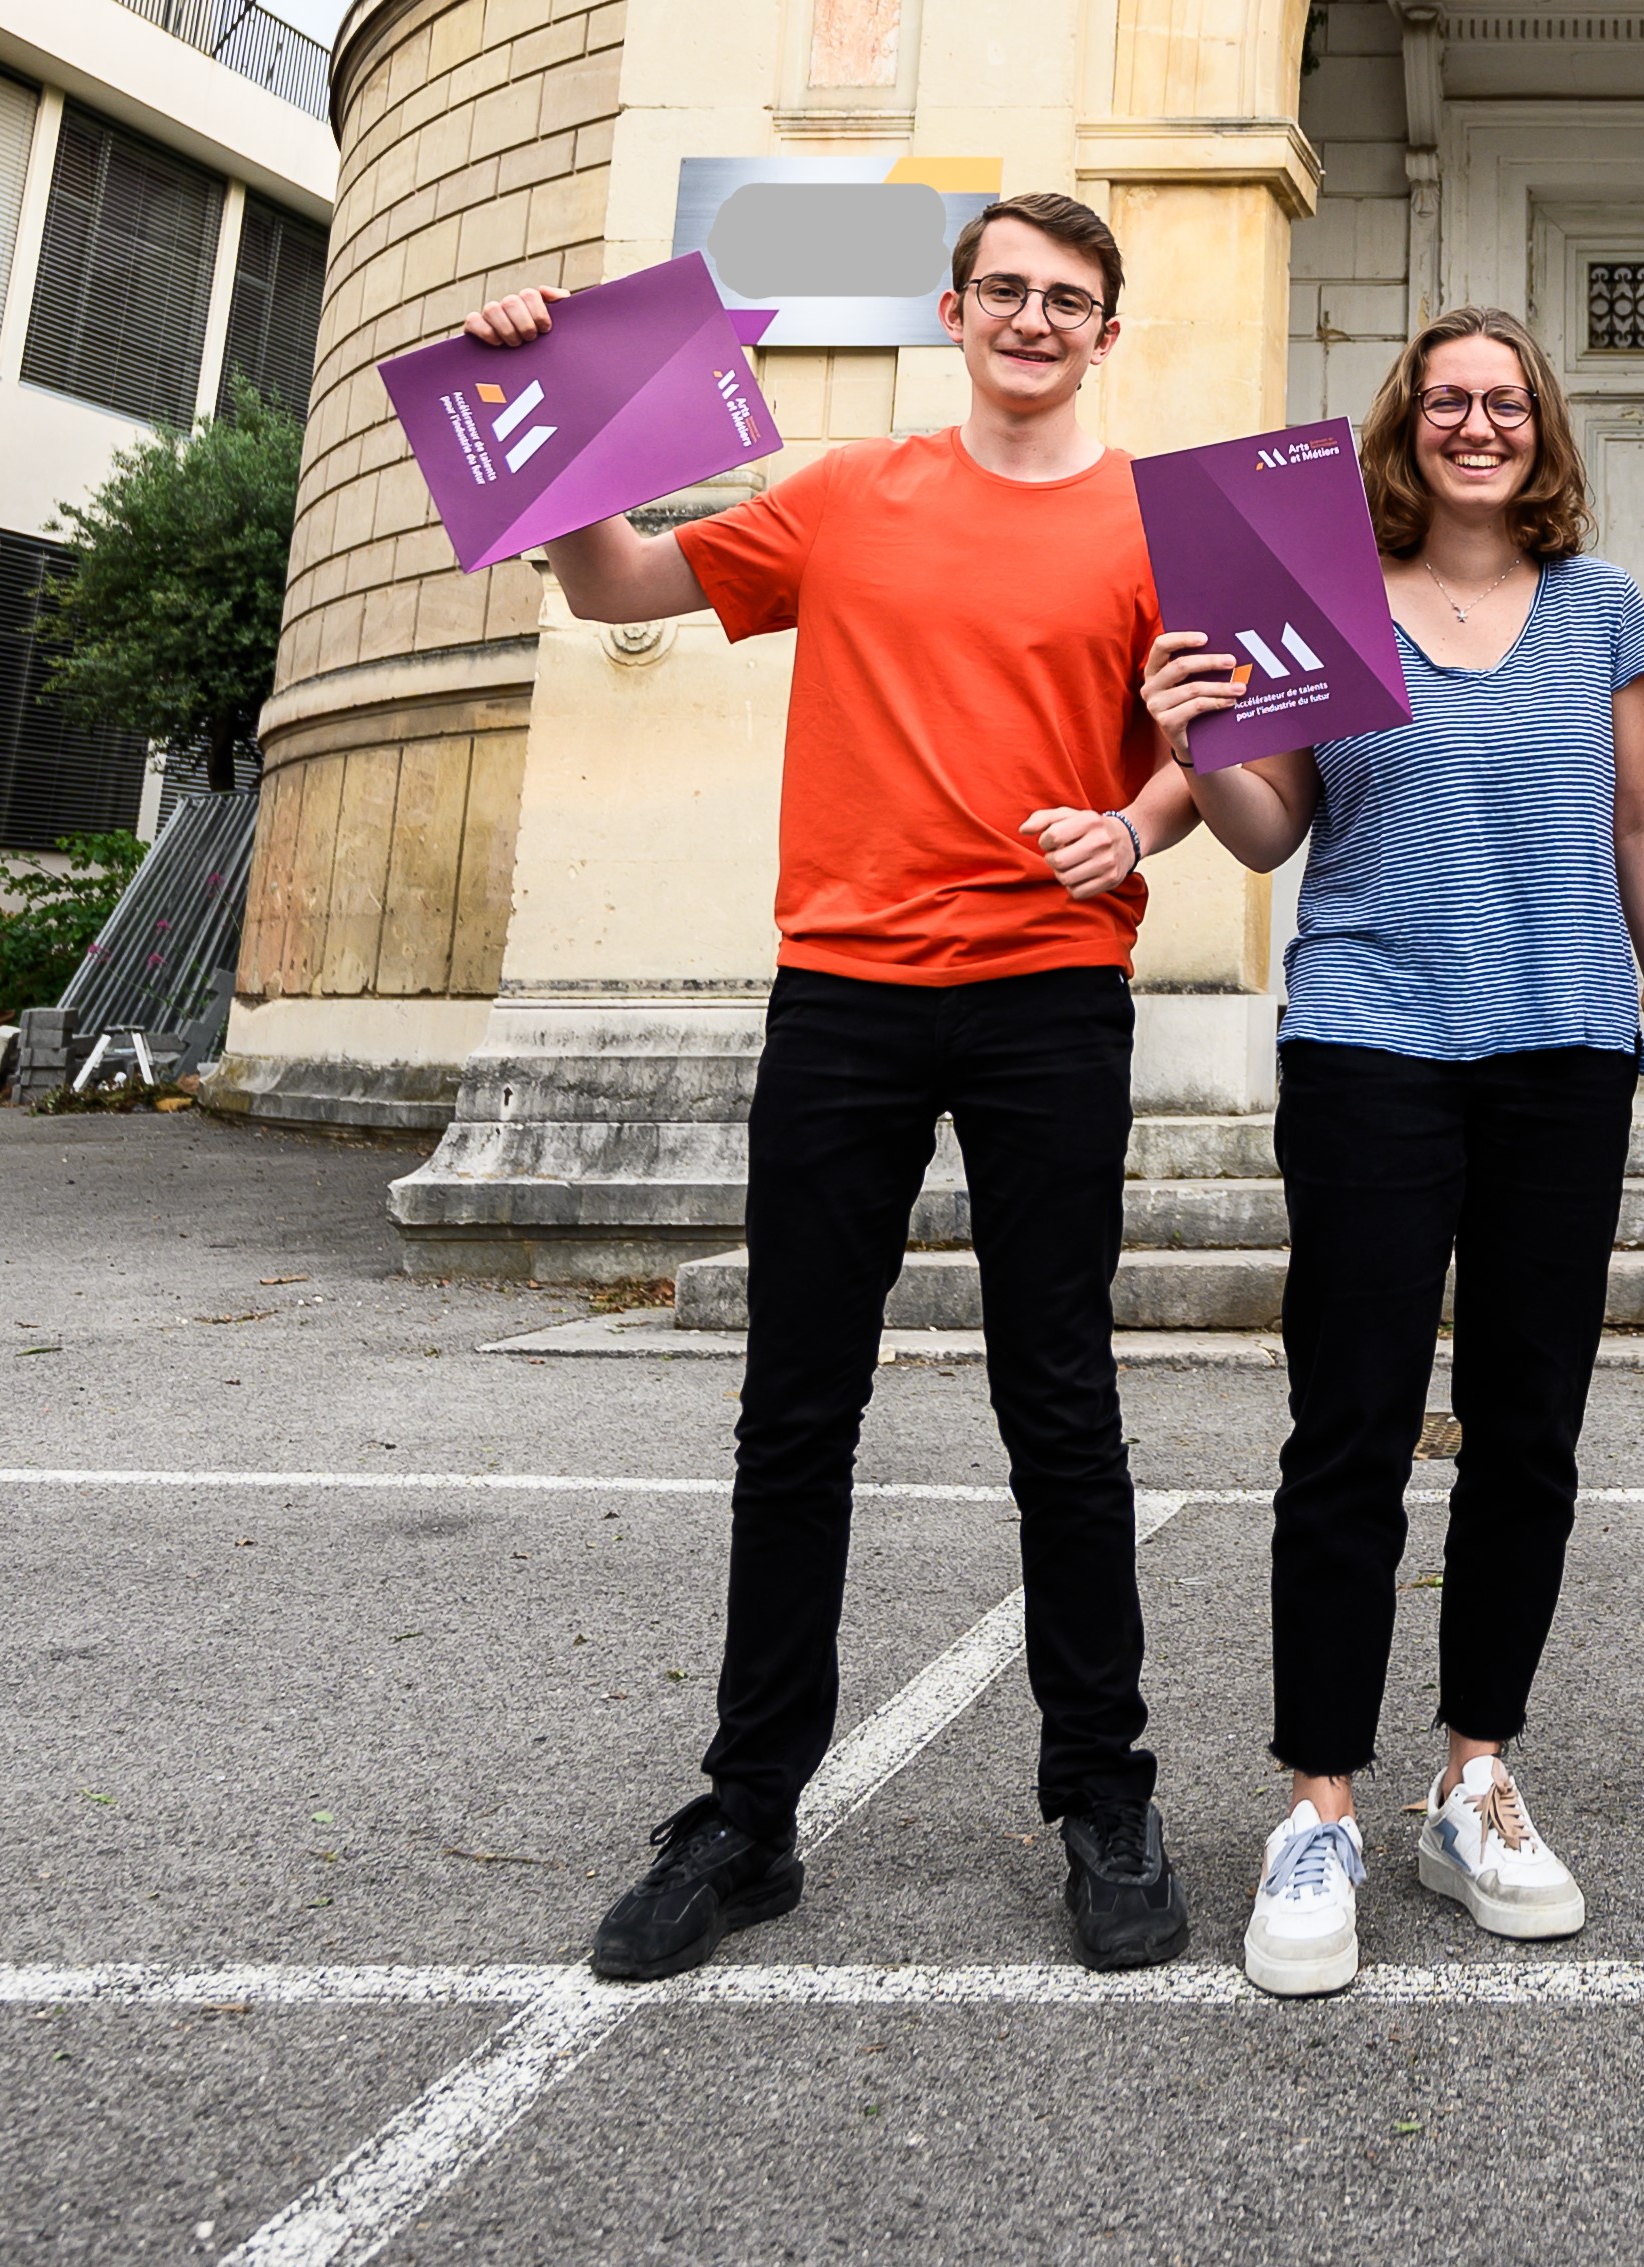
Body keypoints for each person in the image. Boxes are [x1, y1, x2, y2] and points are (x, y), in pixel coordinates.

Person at [464, 192, 1209, 1982]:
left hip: (1049, 994)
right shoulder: (846, 492)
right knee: (797, 1411)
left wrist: (1135, 820)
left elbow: (1212, 750)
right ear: (955, 308)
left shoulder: (1164, 518)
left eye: (1071, 300)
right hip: (846, 999)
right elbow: (621, 581)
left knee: (1063, 1404)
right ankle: (746, 1813)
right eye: (1007, 290)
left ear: (1110, 332)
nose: (1035, 319)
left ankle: (1102, 1792)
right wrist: (555, 417)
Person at [1144, 308, 1644, 1998]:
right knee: (1352, 1425)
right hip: (1372, 1045)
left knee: (1529, 1430)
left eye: (1509, 400)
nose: (1481, 425)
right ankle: (1316, 1802)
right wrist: (1200, 739)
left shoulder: (1601, 608)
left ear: (1544, 429)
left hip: (1561, 1048)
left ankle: (1472, 1776)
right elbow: (1273, 826)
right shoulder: (1320, 588)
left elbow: (1640, 820)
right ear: (1407, 425)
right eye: (1451, 401)